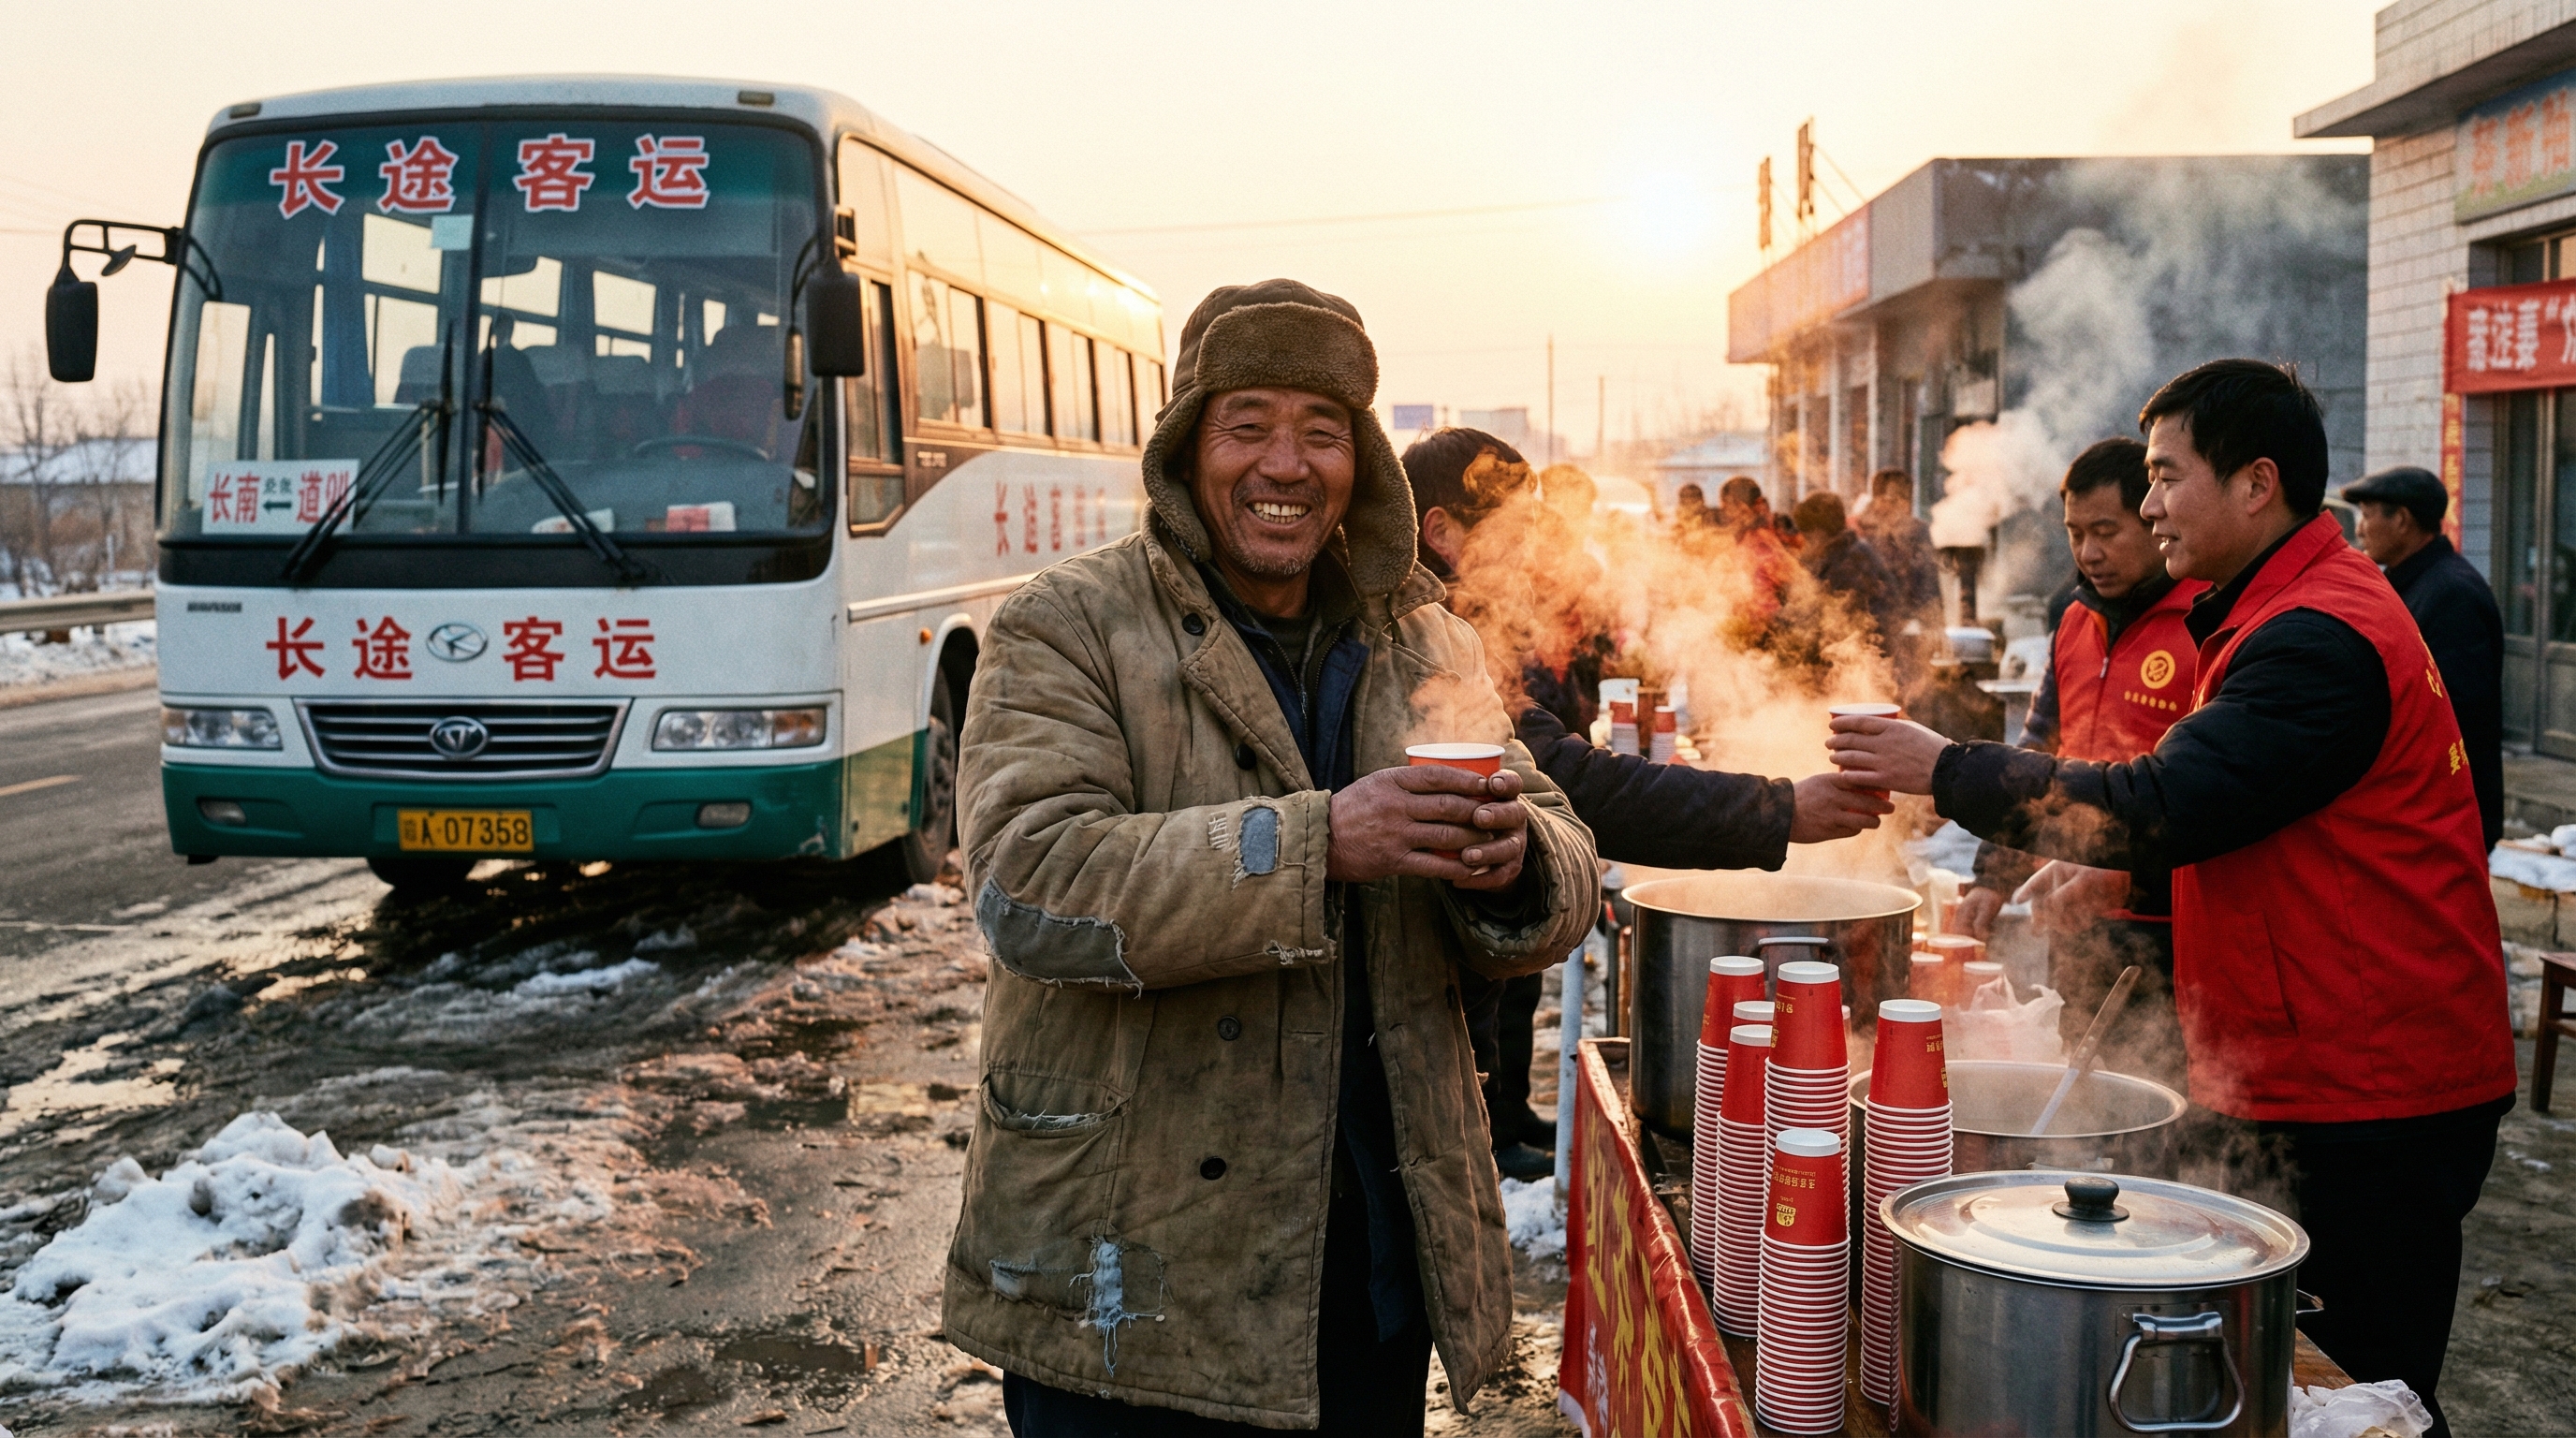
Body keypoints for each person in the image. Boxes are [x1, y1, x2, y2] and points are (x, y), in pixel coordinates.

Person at [950, 279, 1601, 1437]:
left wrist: (1515, 860)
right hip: (1133, 1278)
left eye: (1322, 431)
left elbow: (1560, 846)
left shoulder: (1422, 636)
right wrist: (1317, 844)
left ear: (1363, 459)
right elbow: (1028, 881)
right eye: (1246, 425)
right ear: (1184, 448)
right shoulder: (1069, 624)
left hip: (1369, 1267)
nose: (1285, 465)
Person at [1827, 360, 2516, 1438]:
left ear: (2256, 483)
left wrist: (1943, 766)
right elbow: (2253, 812)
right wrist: (2124, 869)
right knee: (2278, 1382)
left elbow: (2163, 800)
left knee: (2358, 1395)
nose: (2147, 507)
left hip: (2373, 1084)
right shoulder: (2272, 610)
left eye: (2163, 476)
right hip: (2312, 1053)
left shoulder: (2315, 634)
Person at [1409, 431, 1891, 1181]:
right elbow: (1571, 781)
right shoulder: (1424, 641)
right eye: (1518, 530)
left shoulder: (1461, 624)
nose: (1534, 553)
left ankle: (1500, 1119)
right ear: (1442, 532)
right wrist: (1781, 809)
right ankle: (1493, 1131)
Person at [1951, 438, 2206, 1085]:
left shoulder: (2205, 621)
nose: (2088, 552)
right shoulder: (2074, 618)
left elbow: (2213, 793)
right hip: (2071, 915)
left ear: (2153, 521)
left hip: (2169, 928)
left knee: (2160, 1094)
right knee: (2078, 1087)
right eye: (2075, 533)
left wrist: (2127, 877)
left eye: (2106, 531)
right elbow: (2037, 752)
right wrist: (1993, 875)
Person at [2343, 465, 2504, 850]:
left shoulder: (2450, 593)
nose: (2360, 530)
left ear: (2401, 520)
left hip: (2442, 810)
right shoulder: (2413, 583)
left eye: (2367, 515)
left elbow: (2457, 710)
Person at [1793, 490, 1899, 651]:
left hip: (1870, 656)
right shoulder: (1848, 551)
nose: (1804, 546)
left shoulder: (1849, 565)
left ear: (1819, 533)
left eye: (1807, 538)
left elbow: (1838, 626)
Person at [1854, 467, 1942, 624]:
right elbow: (1928, 587)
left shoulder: (1859, 529)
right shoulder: (1861, 532)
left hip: (1874, 621)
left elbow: (1928, 583)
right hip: (1886, 621)